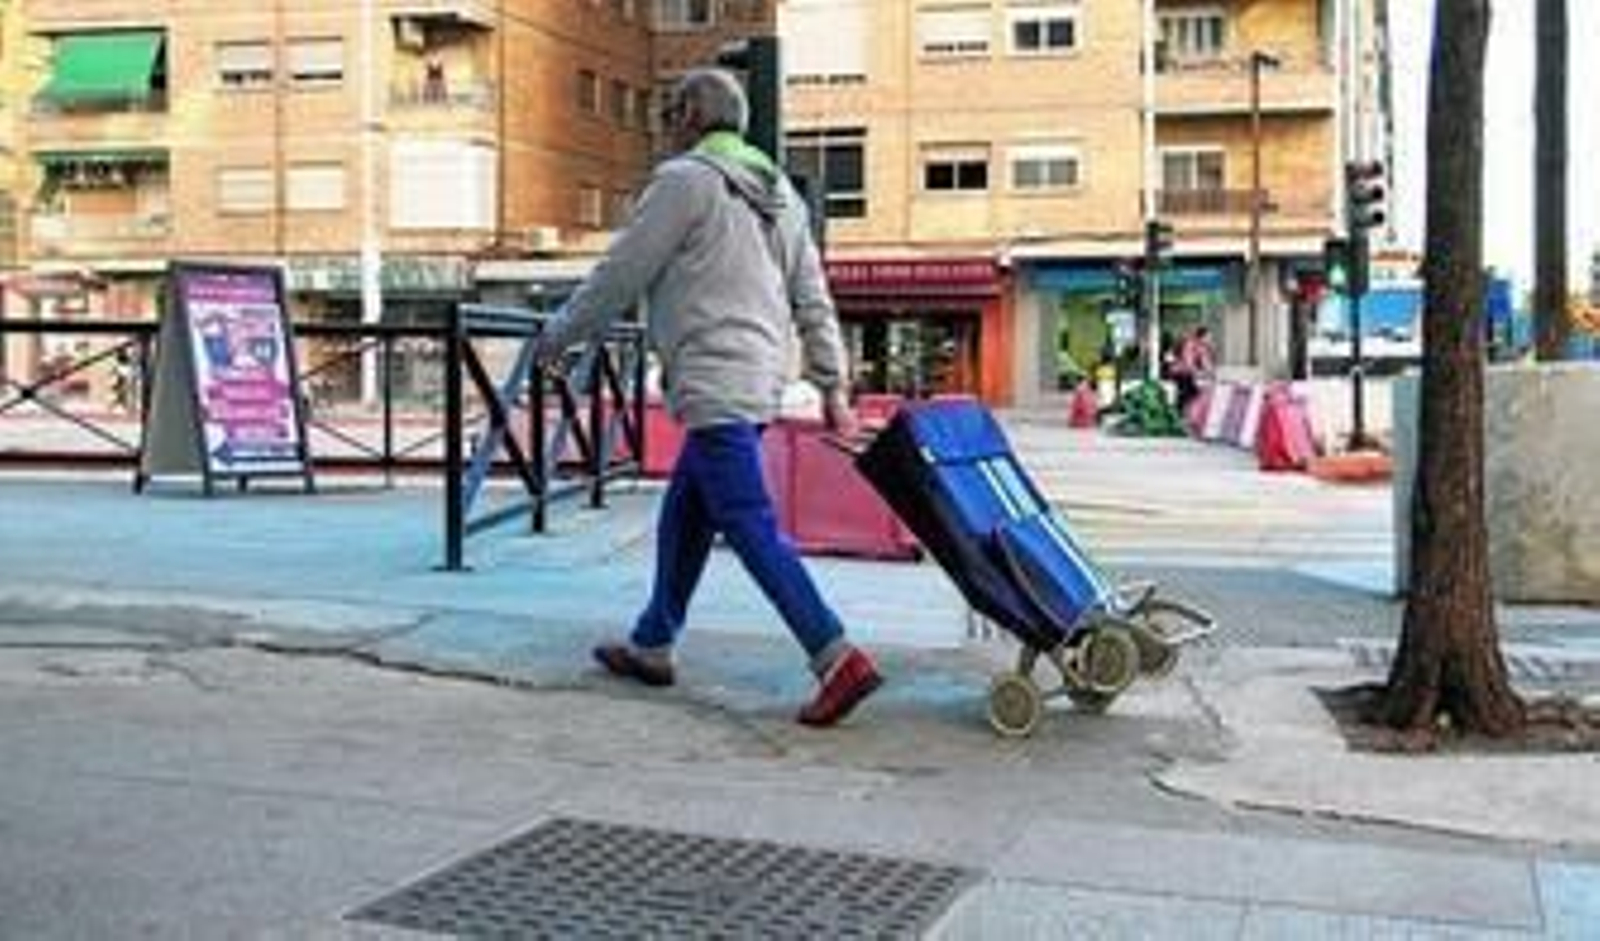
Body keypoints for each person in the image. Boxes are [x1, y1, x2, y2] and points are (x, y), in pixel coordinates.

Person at [532, 68, 882, 727]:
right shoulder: (782, 196)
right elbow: (813, 297)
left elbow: (621, 272)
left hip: (715, 374)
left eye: (671, 112)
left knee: (747, 520)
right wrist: (833, 384)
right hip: (758, 377)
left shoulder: (685, 182)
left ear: (693, 118)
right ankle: (653, 641)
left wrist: (558, 335)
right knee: (687, 510)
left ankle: (835, 654)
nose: (667, 126)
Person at [1171, 325, 1215, 413]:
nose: (1209, 340)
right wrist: (1197, 371)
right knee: (1187, 393)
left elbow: (1205, 362)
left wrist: (1211, 372)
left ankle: (1187, 413)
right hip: (1181, 372)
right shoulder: (1190, 344)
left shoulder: (1202, 347)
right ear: (1201, 336)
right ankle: (1179, 413)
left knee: (1195, 393)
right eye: (1208, 337)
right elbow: (1188, 360)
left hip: (1190, 374)